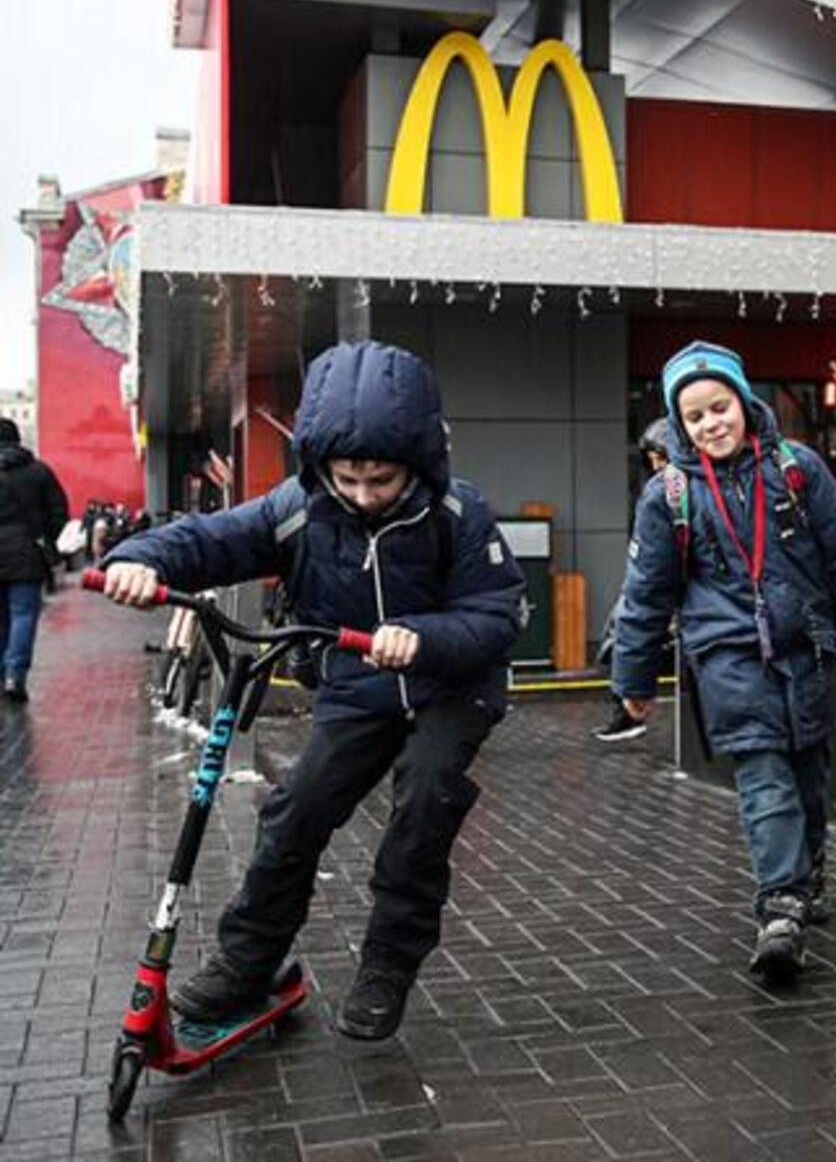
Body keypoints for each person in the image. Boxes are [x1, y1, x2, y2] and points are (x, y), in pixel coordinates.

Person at [100, 340, 525, 1040]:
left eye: (381, 480)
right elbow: (211, 540)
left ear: (416, 460)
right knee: (294, 812)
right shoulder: (299, 506)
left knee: (423, 799)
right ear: (320, 462)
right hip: (358, 687)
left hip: (450, 687)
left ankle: (388, 962)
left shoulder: (458, 512)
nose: (361, 495)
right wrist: (136, 559)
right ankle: (249, 960)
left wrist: (422, 634)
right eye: (346, 478)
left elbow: (496, 614)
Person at [611, 341, 836, 982]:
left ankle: (808, 870)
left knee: (808, 769)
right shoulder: (668, 494)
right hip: (725, 655)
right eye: (693, 417)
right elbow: (645, 593)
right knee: (763, 773)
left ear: (743, 401)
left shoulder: (796, 467)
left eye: (719, 407)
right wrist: (632, 681)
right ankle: (780, 906)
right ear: (679, 423)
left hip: (805, 646)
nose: (710, 424)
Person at [593, 418, 678, 742]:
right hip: (663, 587)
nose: (658, 468)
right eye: (653, 461)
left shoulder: (673, 491)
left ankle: (628, 708)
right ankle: (626, 707)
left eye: (662, 459)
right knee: (621, 631)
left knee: (627, 628)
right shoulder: (660, 495)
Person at [0, 418, 69, 702]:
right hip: (26, 553)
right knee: (23, 615)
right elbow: (59, 512)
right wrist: (44, 538)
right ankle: (15, 677)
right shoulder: (39, 471)